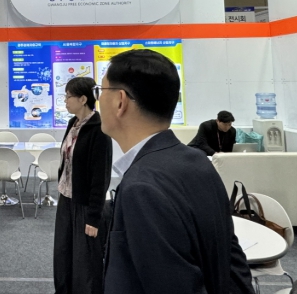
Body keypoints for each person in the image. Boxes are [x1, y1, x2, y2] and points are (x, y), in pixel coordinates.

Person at [96, 49, 254, 294]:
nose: (98, 100)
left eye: (100, 91)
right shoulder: (197, 161)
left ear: (120, 101)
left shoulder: (142, 188)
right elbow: (231, 258)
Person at [53, 77, 112, 294]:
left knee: (84, 260)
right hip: (66, 198)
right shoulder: (73, 124)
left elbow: (100, 176)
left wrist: (94, 217)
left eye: (68, 96)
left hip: (85, 204)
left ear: (83, 99)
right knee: (63, 253)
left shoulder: (99, 129)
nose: (65, 101)